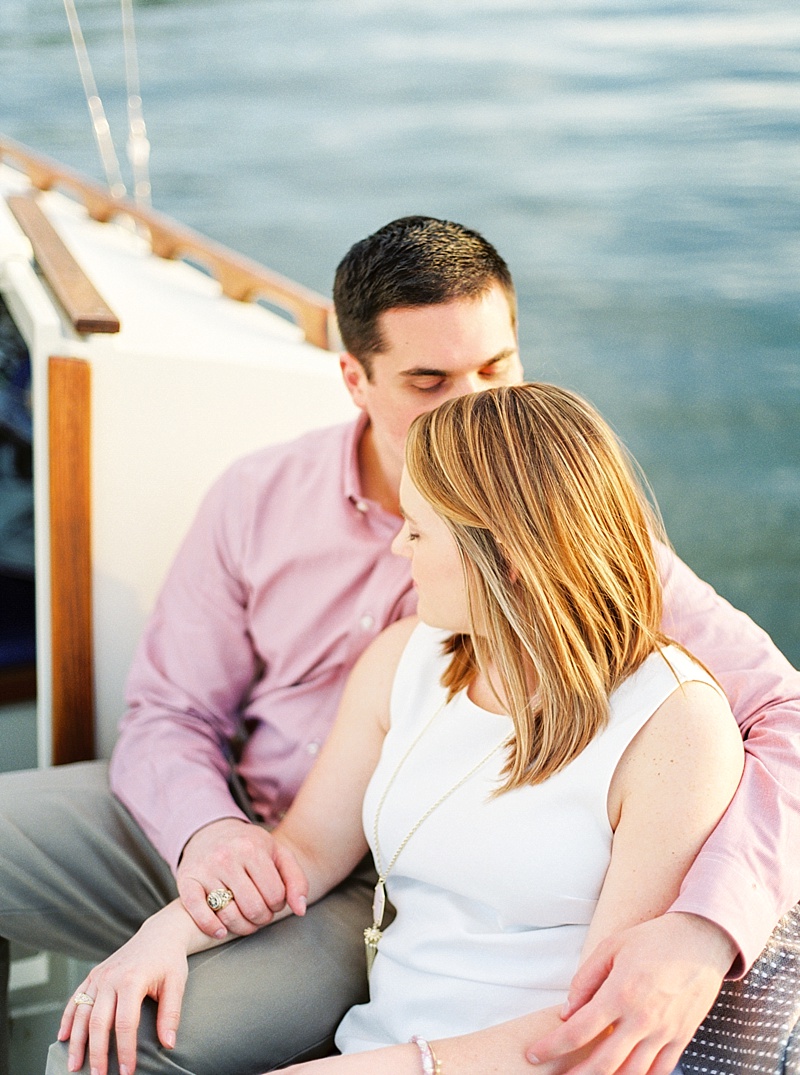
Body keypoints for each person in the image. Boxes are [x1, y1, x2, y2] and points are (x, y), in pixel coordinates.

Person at [0, 216, 794, 1075]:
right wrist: (209, 838)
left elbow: (780, 712)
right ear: (355, 378)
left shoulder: (583, 547)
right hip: (249, 825)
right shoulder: (264, 501)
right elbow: (168, 713)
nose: (475, 406)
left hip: (375, 887)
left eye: (496, 368)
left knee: (114, 1051)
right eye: (429, 379)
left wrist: (705, 928)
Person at [59, 383, 748, 1075]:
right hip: (378, 1045)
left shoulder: (675, 726)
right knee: (85, 1056)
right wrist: (165, 932)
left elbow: (598, 1026)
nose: (396, 545)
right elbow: (304, 851)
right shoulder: (404, 658)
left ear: (504, 555)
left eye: (418, 529)